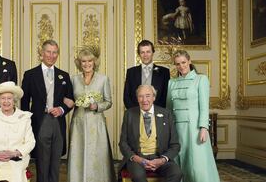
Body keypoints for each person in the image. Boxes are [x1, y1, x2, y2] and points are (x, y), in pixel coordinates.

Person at [21, 39, 74, 182]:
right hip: (40, 121)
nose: (51, 55)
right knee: (42, 161)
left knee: (56, 161)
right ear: (42, 53)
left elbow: (70, 100)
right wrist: (26, 124)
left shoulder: (64, 75)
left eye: (55, 52)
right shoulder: (30, 75)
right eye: (48, 52)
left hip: (58, 122)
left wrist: (62, 109)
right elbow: (24, 102)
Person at [166, 50, 220, 182]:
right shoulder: (171, 82)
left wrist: (203, 128)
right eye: (178, 64)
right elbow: (168, 108)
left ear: (189, 61)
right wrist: (168, 130)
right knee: (179, 162)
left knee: (197, 165)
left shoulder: (201, 79)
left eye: (184, 62)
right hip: (176, 128)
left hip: (195, 129)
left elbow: (204, 106)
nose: (181, 66)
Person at [66, 46, 116, 182]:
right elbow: (70, 99)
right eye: (83, 61)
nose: (87, 64)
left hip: (96, 123)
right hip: (78, 123)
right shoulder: (74, 79)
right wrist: (68, 101)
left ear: (94, 62)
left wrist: (97, 106)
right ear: (79, 63)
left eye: (90, 61)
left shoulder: (103, 79)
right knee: (78, 154)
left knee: (97, 155)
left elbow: (108, 102)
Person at [119, 85, 182, 182]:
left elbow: (175, 144)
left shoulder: (166, 114)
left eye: (148, 96)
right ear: (137, 98)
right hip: (137, 158)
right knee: (138, 176)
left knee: (176, 173)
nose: (144, 100)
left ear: (154, 97)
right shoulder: (129, 114)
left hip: (159, 157)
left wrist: (162, 160)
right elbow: (123, 143)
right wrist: (138, 159)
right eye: (141, 96)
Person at [123, 40, 170, 109]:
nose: (145, 55)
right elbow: (126, 96)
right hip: (136, 114)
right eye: (142, 52)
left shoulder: (164, 72)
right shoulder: (131, 72)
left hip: (158, 114)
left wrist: (158, 111)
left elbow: (166, 96)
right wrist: (134, 112)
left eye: (148, 52)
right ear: (139, 54)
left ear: (153, 53)